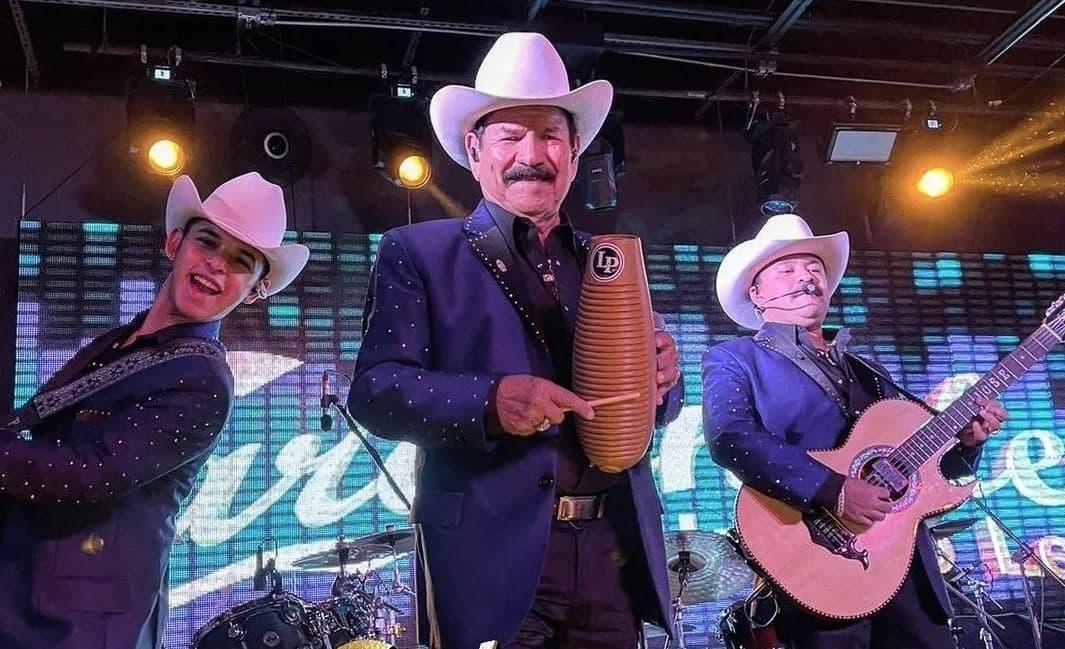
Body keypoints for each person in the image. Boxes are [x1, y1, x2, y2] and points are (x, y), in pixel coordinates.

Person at [349, 31, 684, 649]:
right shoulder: (417, 252)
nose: (533, 153)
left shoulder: (608, 261)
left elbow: (657, 412)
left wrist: (662, 381)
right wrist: (491, 401)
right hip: (485, 555)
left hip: (613, 552)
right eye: (510, 136)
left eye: (550, 135)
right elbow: (375, 392)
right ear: (474, 151)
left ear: (576, 150)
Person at [0, 172, 309, 649]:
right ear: (174, 242)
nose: (215, 265)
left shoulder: (203, 382)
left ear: (255, 291)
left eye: (239, 261)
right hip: (23, 597)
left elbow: (87, 474)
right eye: (208, 242)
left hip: (77, 627)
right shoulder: (122, 342)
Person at [702, 213, 1007, 648]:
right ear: (756, 293)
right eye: (787, 270)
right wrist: (834, 489)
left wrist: (967, 445)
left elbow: (923, 469)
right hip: (822, 566)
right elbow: (730, 436)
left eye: (814, 269)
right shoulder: (735, 358)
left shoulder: (868, 368)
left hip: (908, 575)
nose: (806, 278)